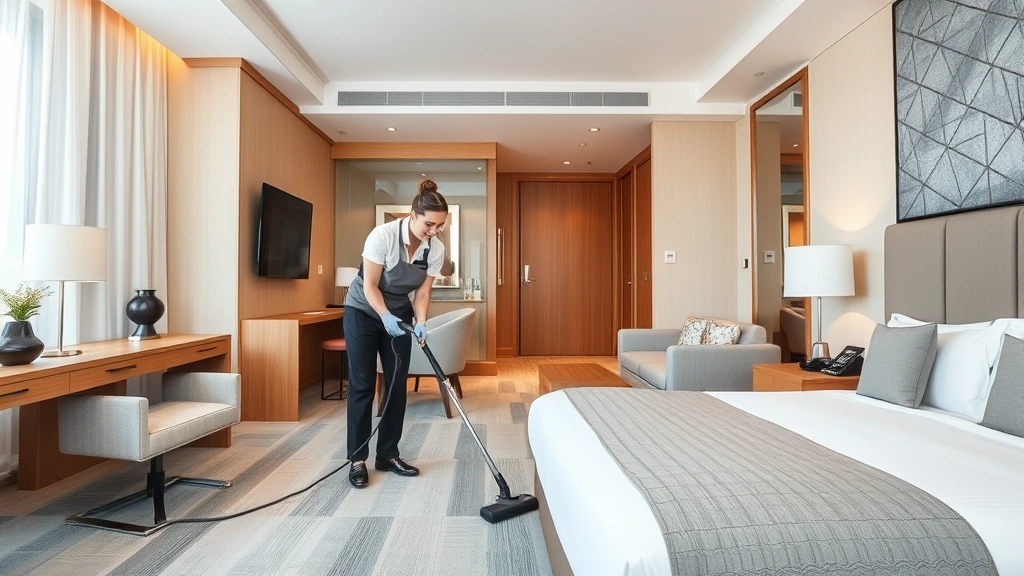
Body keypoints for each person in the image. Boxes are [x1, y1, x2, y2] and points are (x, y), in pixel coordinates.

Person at [343, 180, 448, 488]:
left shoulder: (435, 250)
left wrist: (421, 321)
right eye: (429, 224)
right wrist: (385, 315)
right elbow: (371, 285)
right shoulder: (383, 236)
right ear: (413, 214)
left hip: (399, 316)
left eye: (440, 226)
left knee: (397, 384)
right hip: (362, 312)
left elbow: (424, 293)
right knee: (362, 385)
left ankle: (387, 455)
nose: (434, 231)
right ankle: (358, 459)